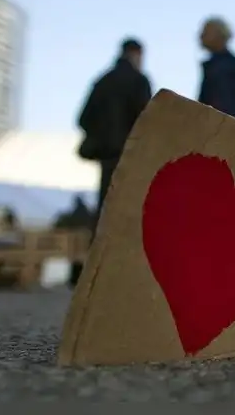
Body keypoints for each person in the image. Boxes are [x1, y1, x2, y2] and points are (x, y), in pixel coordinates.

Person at [74, 38, 152, 285]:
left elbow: (83, 118)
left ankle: (97, 273)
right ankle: (123, 275)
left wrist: (103, 135)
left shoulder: (103, 81)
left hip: (107, 156)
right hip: (132, 155)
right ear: (137, 54)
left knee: (105, 209)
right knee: (133, 212)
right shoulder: (139, 81)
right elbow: (148, 119)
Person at [198, 16, 235, 123]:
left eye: (207, 32)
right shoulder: (221, 64)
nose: (201, 35)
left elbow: (224, 107)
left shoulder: (224, 67)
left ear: (219, 35)